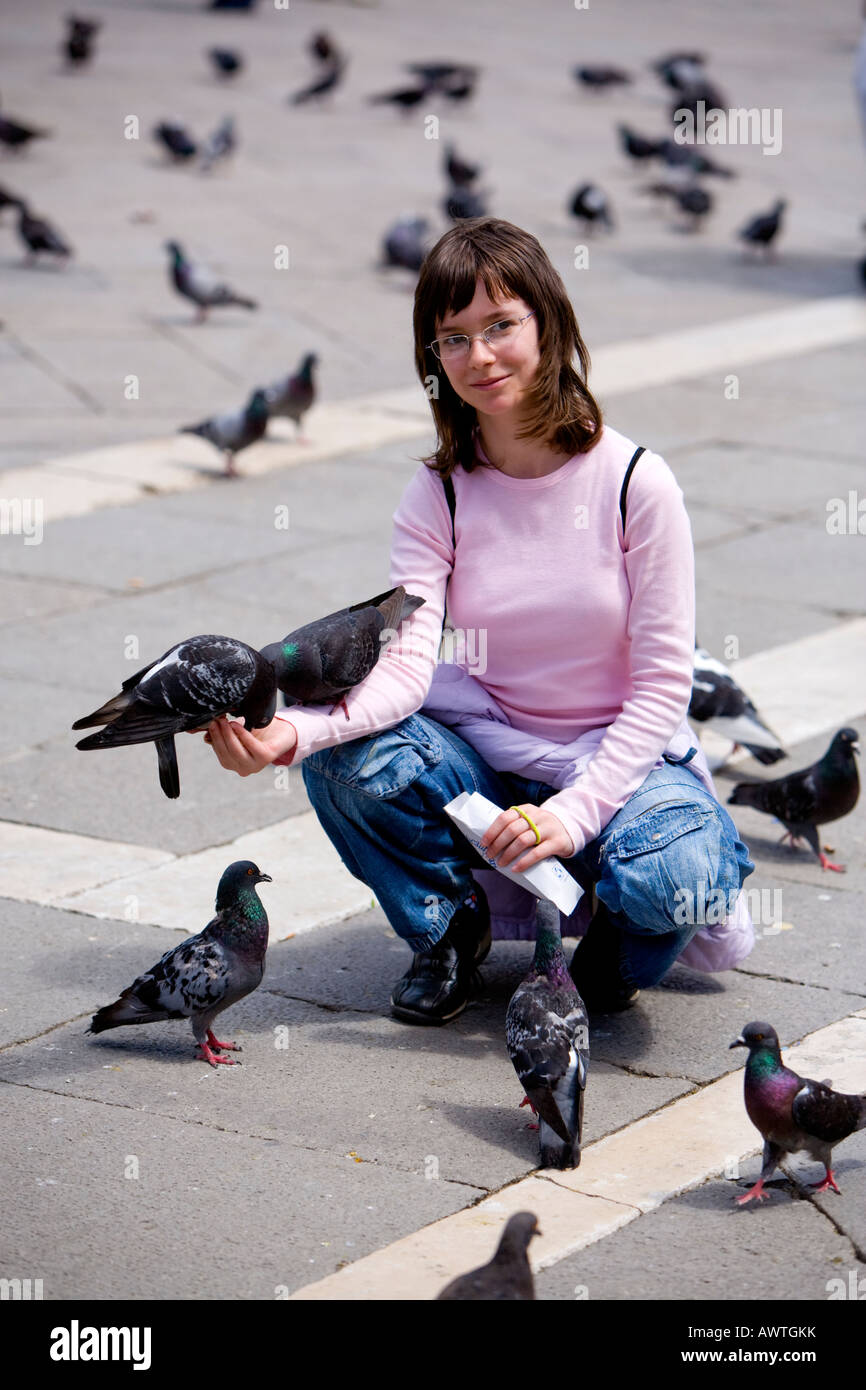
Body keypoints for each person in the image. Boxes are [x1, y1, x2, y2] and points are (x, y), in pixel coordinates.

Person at [200, 217, 754, 1024]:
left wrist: (570, 816)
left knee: (675, 873)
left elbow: (665, 685)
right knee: (345, 760)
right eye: (453, 338)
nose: (480, 356)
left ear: (550, 323)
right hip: (491, 761)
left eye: (501, 325)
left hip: (626, 771)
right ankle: (449, 932)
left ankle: (608, 964)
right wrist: (297, 734)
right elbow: (404, 668)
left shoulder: (637, 482)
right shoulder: (441, 494)